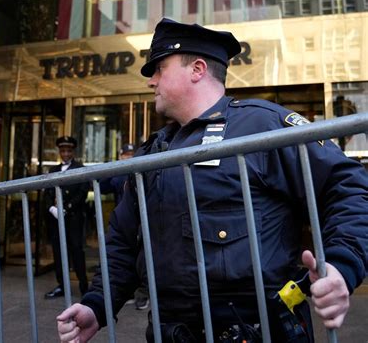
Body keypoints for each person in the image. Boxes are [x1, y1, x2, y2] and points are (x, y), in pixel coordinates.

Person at [56, 18, 368, 342]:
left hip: (258, 329)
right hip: (173, 332)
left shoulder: (264, 125)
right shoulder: (153, 153)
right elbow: (123, 240)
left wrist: (342, 266)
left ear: (197, 69)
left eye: (160, 68)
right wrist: (96, 305)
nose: (151, 81)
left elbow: (347, 187)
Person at [100, 143, 150, 310]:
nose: (128, 157)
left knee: (143, 255)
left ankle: (143, 294)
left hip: (142, 218)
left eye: (131, 154)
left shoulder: (140, 169)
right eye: (125, 155)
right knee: (126, 254)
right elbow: (103, 186)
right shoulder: (119, 173)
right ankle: (128, 292)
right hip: (123, 220)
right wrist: (114, 167)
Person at [44, 136, 89, 299]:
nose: (65, 154)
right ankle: (62, 285)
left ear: (73, 152)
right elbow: (47, 192)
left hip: (73, 218)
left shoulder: (80, 167)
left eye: (68, 151)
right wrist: (52, 208)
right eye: (63, 151)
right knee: (58, 250)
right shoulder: (53, 170)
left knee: (76, 250)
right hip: (56, 218)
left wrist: (67, 208)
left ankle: (84, 285)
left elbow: (83, 192)